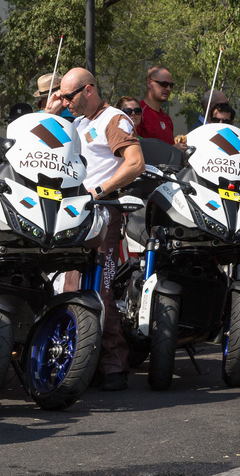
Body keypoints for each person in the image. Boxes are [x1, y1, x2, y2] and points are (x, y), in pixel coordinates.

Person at [46, 68, 144, 391]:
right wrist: (49, 116)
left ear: (88, 90)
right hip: (71, 213)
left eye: (69, 96)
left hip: (102, 212)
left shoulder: (114, 120)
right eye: (61, 95)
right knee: (69, 285)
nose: (65, 101)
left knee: (100, 287)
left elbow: (135, 163)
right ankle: (73, 362)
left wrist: (98, 191)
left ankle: (113, 364)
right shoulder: (75, 124)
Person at [138, 66, 176, 145]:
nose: (168, 89)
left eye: (171, 85)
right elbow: (136, 149)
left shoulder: (167, 119)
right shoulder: (136, 112)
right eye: (164, 84)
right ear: (149, 83)